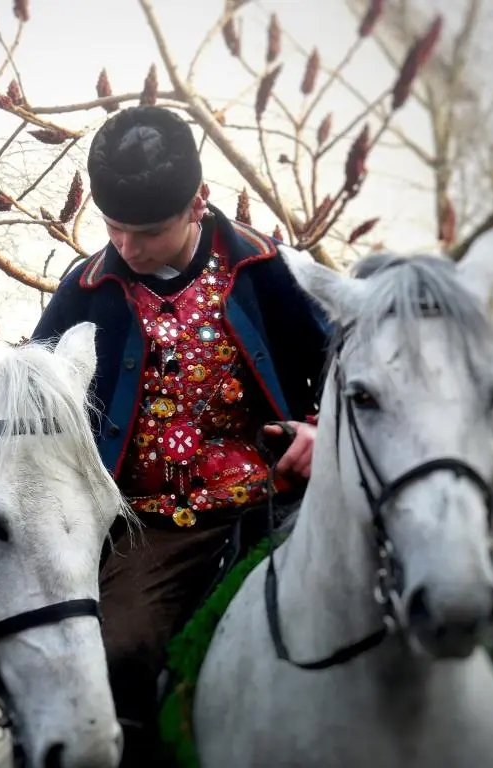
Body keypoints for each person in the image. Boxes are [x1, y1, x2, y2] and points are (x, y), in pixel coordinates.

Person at [30, 106, 332, 765]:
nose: (126, 246)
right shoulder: (85, 289)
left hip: (278, 499)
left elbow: (350, 365)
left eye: (147, 232)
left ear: (198, 202)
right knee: (116, 653)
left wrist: (324, 431)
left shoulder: (265, 267)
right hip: (153, 526)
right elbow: (35, 404)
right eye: (112, 227)